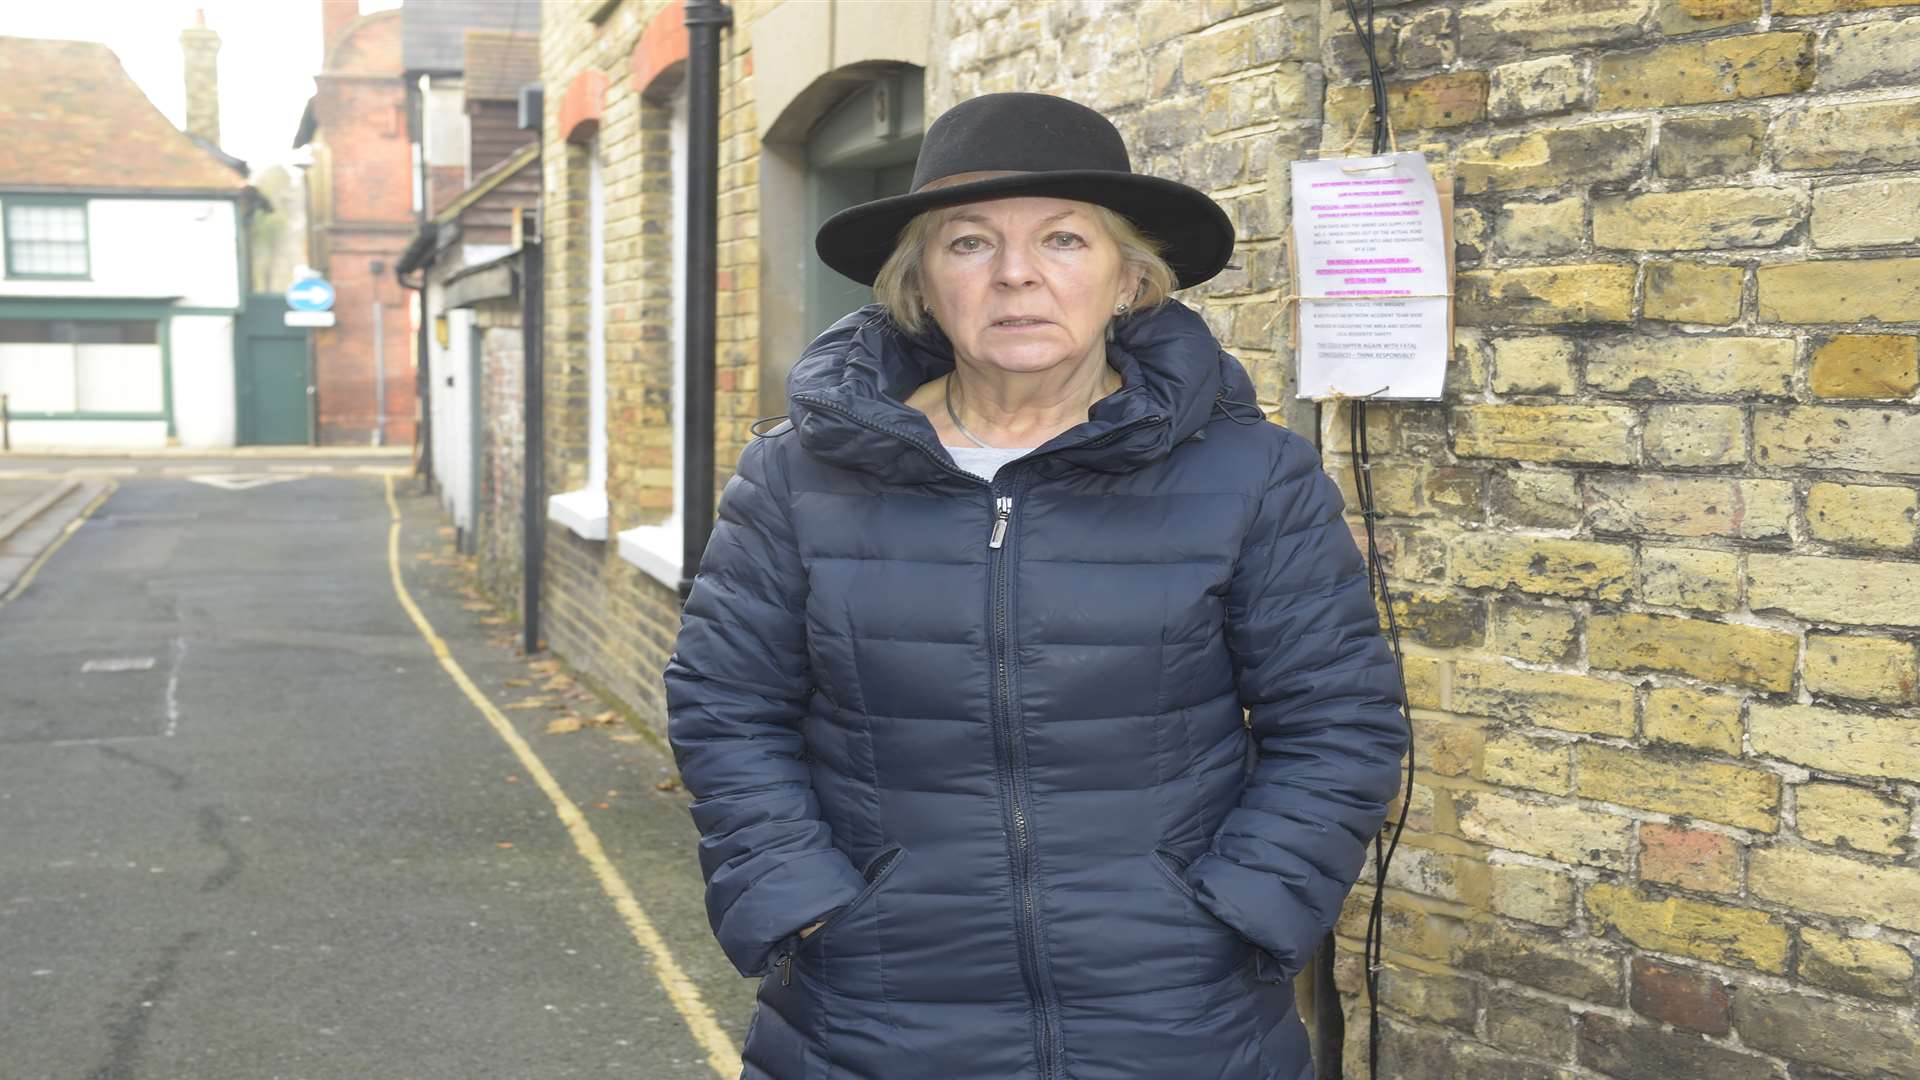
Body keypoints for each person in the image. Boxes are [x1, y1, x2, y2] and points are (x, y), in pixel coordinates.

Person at [664, 92, 1407, 1080]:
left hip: (1179, 1021)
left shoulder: (1252, 477)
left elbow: (1340, 719)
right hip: (872, 1018)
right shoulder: (796, 479)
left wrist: (1244, 911)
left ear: (1128, 278)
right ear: (920, 283)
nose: (1016, 274)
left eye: (1063, 239)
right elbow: (726, 707)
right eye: (969, 244)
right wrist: (800, 900)